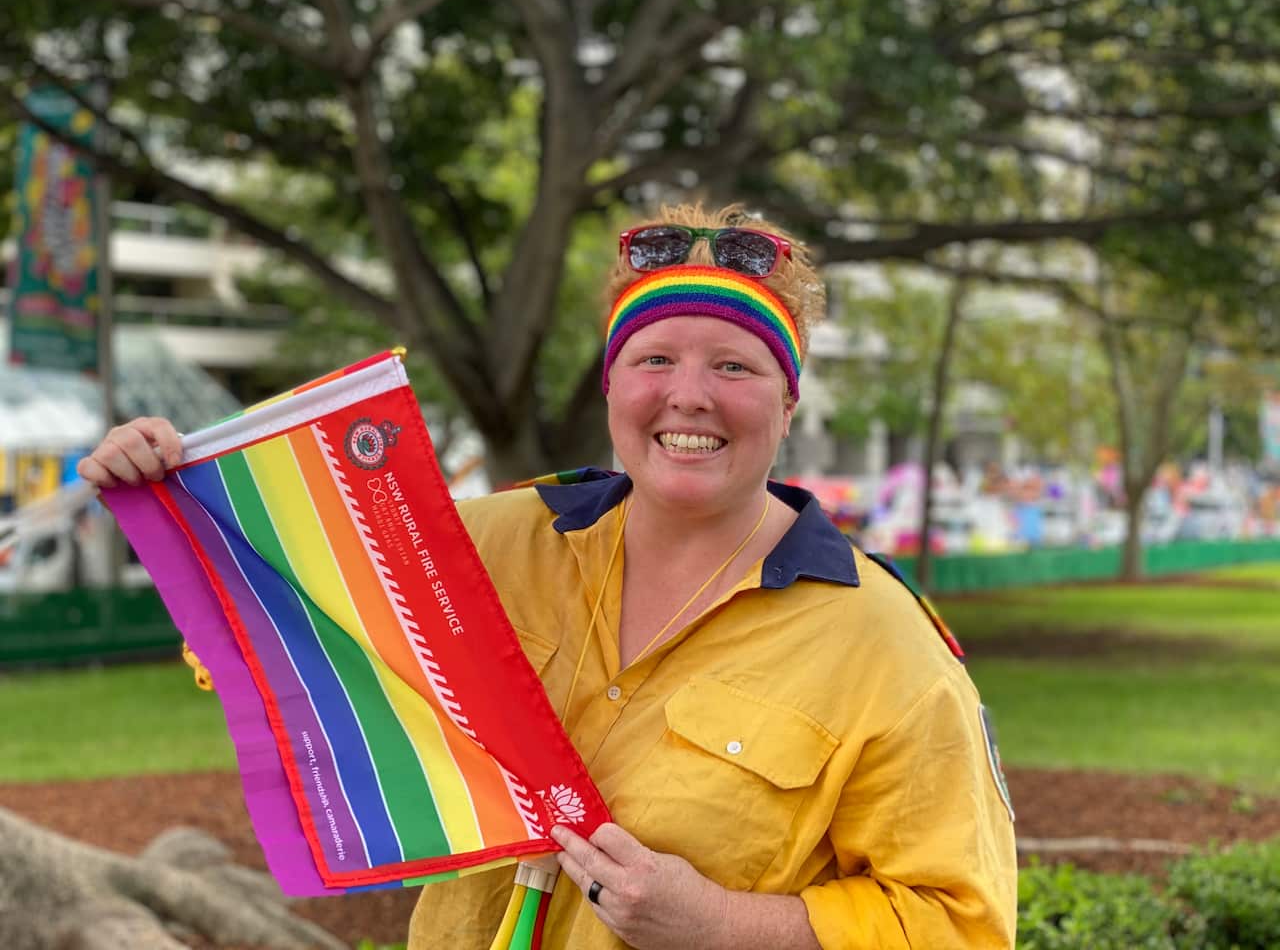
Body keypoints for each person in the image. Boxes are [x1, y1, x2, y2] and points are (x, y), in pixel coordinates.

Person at [79, 202, 1017, 948]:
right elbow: (281, 638)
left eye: (734, 365)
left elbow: (958, 925)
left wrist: (725, 928)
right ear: (613, 383)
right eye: (654, 358)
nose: (688, 395)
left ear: (788, 400)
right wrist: (179, 488)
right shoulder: (481, 545)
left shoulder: (884, 644)